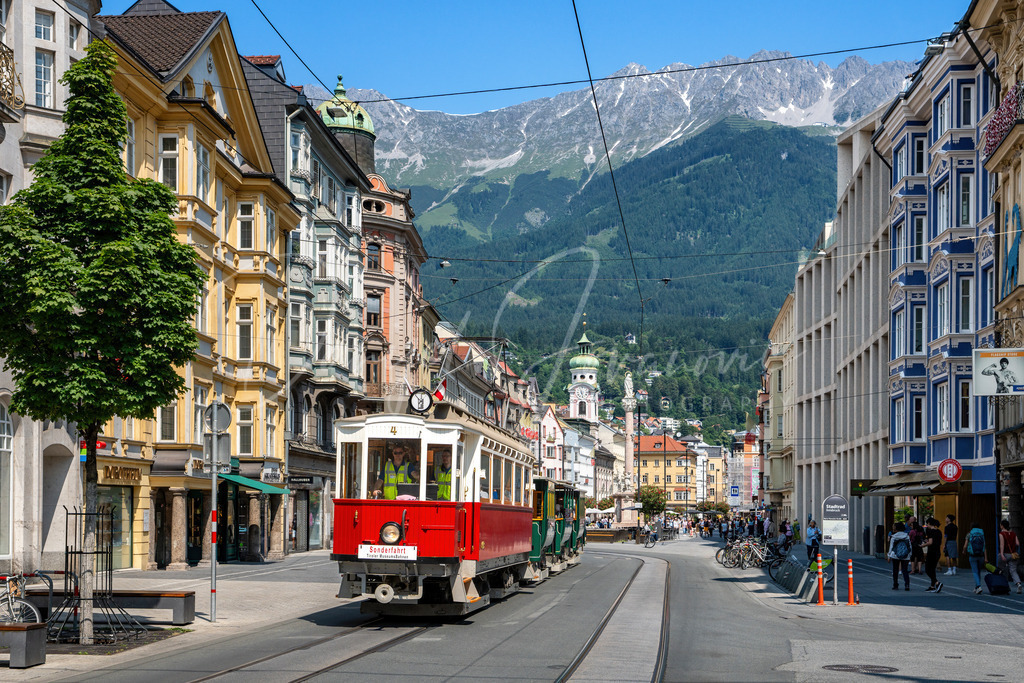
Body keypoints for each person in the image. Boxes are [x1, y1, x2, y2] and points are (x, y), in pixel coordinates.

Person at [997, 519, 1022, 594]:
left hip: (1005, 554)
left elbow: (1002, 545)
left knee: (1002, 569)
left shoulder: (1001, 534)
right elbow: (1017, 543)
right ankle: (1018, 584)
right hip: (1013, 555)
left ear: (1002, 526)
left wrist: (1002, 554)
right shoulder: (1013, 533)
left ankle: (1004, 585)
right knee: (1013, 571)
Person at [963, 522, 987, 594]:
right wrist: (986, 558)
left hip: (972, 555)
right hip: (981, 555)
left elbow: (965, 545)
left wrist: (964, 551)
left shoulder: (969, 534)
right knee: (978, 571)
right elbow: (984, 546)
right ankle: (976, 587)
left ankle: (979, 586)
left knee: (975, 571)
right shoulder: (982, 534)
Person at [887, 522, 912, 591]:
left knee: (895, 570)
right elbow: (910, 546)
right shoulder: (907, 536)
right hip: (905, 555)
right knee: (905, 570)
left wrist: (889, 556)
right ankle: (907, 585)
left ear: (896, 528)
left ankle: (895, 585)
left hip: (895, 555)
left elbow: (891, 547)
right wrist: (910, 555)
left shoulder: (894, 537)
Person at [923, 517, 944, 593]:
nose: (927, 525)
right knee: (932, 569)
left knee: (927, 569)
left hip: (931, 552)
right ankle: (932, 586)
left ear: (929, 523)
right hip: (937, 551)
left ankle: (937, 582)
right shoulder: (939, 531)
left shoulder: (930, 531)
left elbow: (930, 542)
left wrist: (922, 545)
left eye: (927, 524)